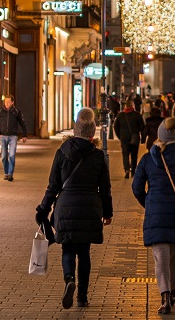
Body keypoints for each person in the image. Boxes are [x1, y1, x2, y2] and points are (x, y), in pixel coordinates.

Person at [35, 108, 113, 309]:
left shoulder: (62, 152)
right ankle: (82, 297)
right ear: (92, 132)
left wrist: (43, 209)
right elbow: (105, 188)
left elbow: (53, 186)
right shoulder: (98, 156)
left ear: (75, 129)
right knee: (84, 253)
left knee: (68, 248)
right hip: (89, 208)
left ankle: (69, 278)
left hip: (66, 208)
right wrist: (108, 212)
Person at [132, 118, 175, 315]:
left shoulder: (147, 159)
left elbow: (136, 187)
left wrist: (148, 202)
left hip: (155, 212)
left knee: (160, 257)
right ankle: (172, 291)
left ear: (160, 136)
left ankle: (164, 297)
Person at [0, 95, 27, 182]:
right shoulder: (0, 111)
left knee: (12, 155)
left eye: (8, 102)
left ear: (12, 102)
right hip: (3, 136)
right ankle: (6, 173)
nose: (7, 103)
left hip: (13, 136)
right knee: (4, 156)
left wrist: (24, 135)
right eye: (5, 102)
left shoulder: (16, 112)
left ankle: (10, 174)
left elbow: (22, 123)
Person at [114, 101, 145, 179]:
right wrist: (141, 135)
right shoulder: (137, 115)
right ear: (133, 106)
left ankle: (126, 169)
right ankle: (133, 170)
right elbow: (142, 127)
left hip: (124, 138)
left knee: (125, 154)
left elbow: (116, 127)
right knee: (134, 155)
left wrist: (120, 136)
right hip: (134, 138)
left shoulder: (120, 115)